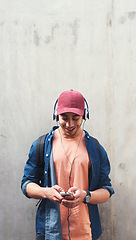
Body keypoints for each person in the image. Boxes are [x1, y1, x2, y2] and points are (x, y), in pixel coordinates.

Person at [21, 89, 114, 240]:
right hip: (50, 232)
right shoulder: (41, 145)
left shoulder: (95, 148)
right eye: (64, 118)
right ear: (55, 115)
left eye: (75, 118)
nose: (69, 124)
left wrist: (85, 196)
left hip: (85, 232)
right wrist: (47, 192)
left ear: (84, 116)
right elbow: (27, 184)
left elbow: (107, 190)